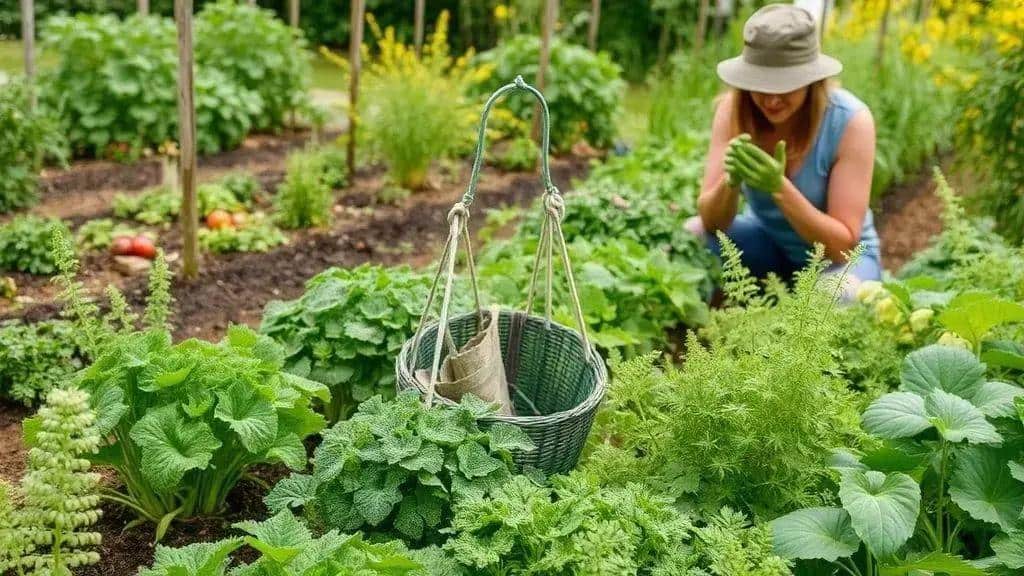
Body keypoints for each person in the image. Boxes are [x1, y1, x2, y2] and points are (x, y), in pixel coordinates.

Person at [690, 3, 881, 291]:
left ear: (812, 80)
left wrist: (778, 187)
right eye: (760, 84)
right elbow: (711, 223)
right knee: (692, 238)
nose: (772, 99)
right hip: (769, 246)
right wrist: (730, 183)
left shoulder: (850, 122)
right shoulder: (734, 112)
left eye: (785, 85)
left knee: (837, 294)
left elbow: (842, 246)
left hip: (839, 261)